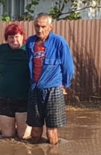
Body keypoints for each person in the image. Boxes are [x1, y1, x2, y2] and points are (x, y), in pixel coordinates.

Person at [25, 13, 74, 145]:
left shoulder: (59, 42)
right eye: (37, 26)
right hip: (35, 89)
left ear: (50, 27)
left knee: (51, 131)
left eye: (43, 26)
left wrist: (64, 85)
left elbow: (68, 67)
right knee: (34, 129)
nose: (39, 30)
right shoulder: (30, 42)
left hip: (53, 89)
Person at [0, 22, 30, 139]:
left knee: (24, 136)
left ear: (22, 36)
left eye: (17, 36)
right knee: (7, 136)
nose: (14, 40)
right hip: (5, 97)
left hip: (24, 97)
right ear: (7, 38)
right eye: (11, 37)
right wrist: (2, 70)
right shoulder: (1, 49)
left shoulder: (29, 49)